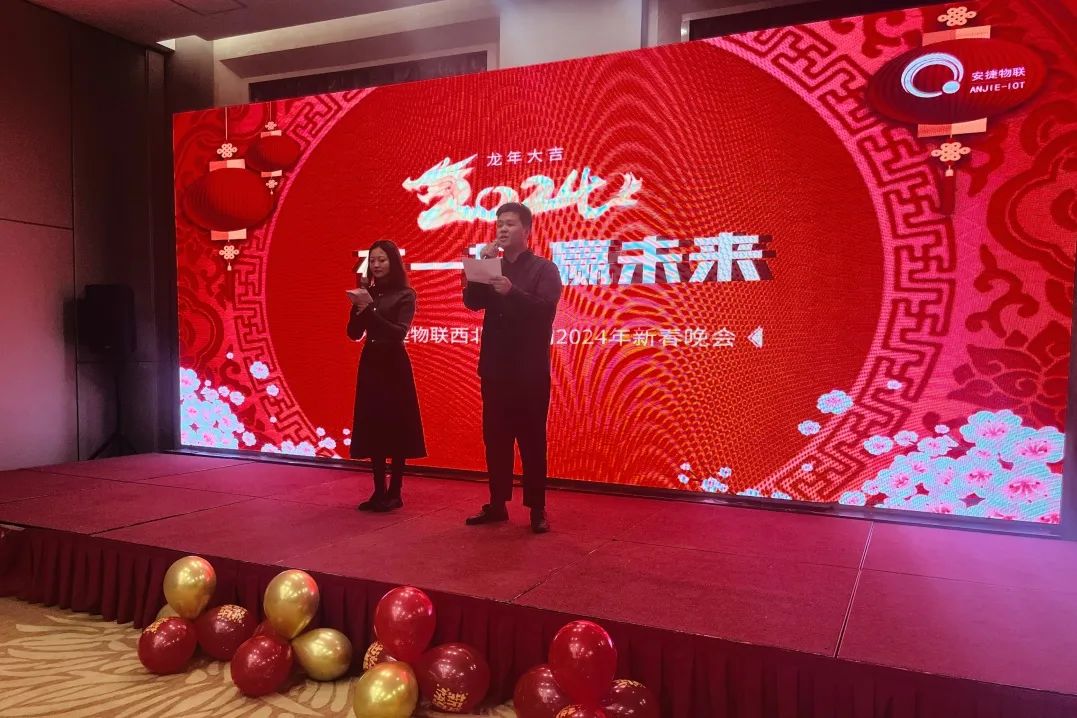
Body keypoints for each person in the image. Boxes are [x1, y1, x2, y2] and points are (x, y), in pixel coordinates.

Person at [462, 202, 562, 533]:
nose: (502, 229)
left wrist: (511, 292)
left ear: (527, 230)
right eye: (499, 224)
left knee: (532, 441)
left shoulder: (544, 269)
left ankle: (537, 508)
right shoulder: (493, 264)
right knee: (496, 440)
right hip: (495, 369)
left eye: (509, 224)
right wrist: (482, 265)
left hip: (529, 371)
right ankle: (497, 504)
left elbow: (544, 311)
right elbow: (472, 302)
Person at [347, 240, 426, 512]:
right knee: (374, 425)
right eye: (373, 260)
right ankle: (378, 490)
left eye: (382, 259)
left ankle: (395, 492)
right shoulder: (367, 293)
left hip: (394, 363)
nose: (377, 265)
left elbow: (398, 332)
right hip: (371, 361)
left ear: (393, 262)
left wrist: (370, 310)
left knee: (397, 426)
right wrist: (358, 307)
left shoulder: (406, 294)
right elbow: (353, 333)